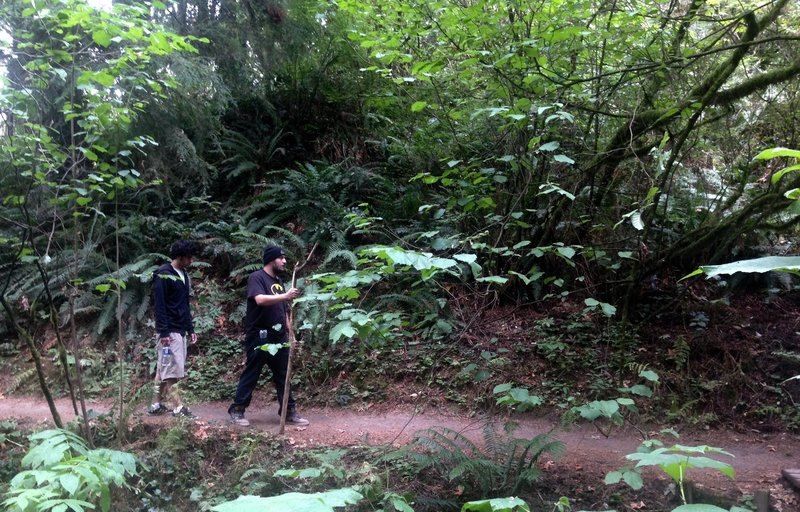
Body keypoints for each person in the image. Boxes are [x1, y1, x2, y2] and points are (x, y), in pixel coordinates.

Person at [228, 245, 309, 427]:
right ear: (272, 259)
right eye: (281, 258)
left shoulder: (279, 282)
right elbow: (260, 300)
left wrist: (291, 334)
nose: (285, 261)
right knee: (252, 373)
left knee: (283, 374)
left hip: (278, 337)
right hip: (259, 336)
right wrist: (285, 296)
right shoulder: (257, 277)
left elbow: (284, 311)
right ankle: (237, 410)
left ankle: (288, 411)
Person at [148, 240, 198, 418]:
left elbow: (184, 304)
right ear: (180, 257)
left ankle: (155, 404)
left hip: (180, 329)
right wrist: (164, 332)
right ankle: (178, 407)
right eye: (189, 258)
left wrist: (190, 328)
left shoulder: (183, 274)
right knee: (171, 369)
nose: (191, 261)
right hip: (169, 331)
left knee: (163, 367)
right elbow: (160, 305)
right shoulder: (164, 274)